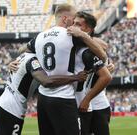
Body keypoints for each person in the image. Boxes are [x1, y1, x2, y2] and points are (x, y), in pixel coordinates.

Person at [25, 3, 109, 135]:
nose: (74, 25)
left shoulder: (40, 36)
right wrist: (82, 35)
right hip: (63, 96)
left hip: (42, 98)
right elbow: (102, 53)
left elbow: (23, 50)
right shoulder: (70, 35)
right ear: (65, 19)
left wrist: (13, 62)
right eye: (73, 20)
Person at [0, 52, 87, 135]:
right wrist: (75, 77)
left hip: (3, 103)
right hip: (12, 109)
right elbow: (46, 81)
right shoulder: (33, 61)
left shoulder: (24, 55)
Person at [68, 11, 112, 135]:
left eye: (78, 24)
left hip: (95, 102)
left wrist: (87, 99)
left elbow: (105, 76)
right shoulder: (75, 43)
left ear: (88, 29)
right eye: (73, 23)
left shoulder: (90, 50)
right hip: (80, 101)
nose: (73, 26)